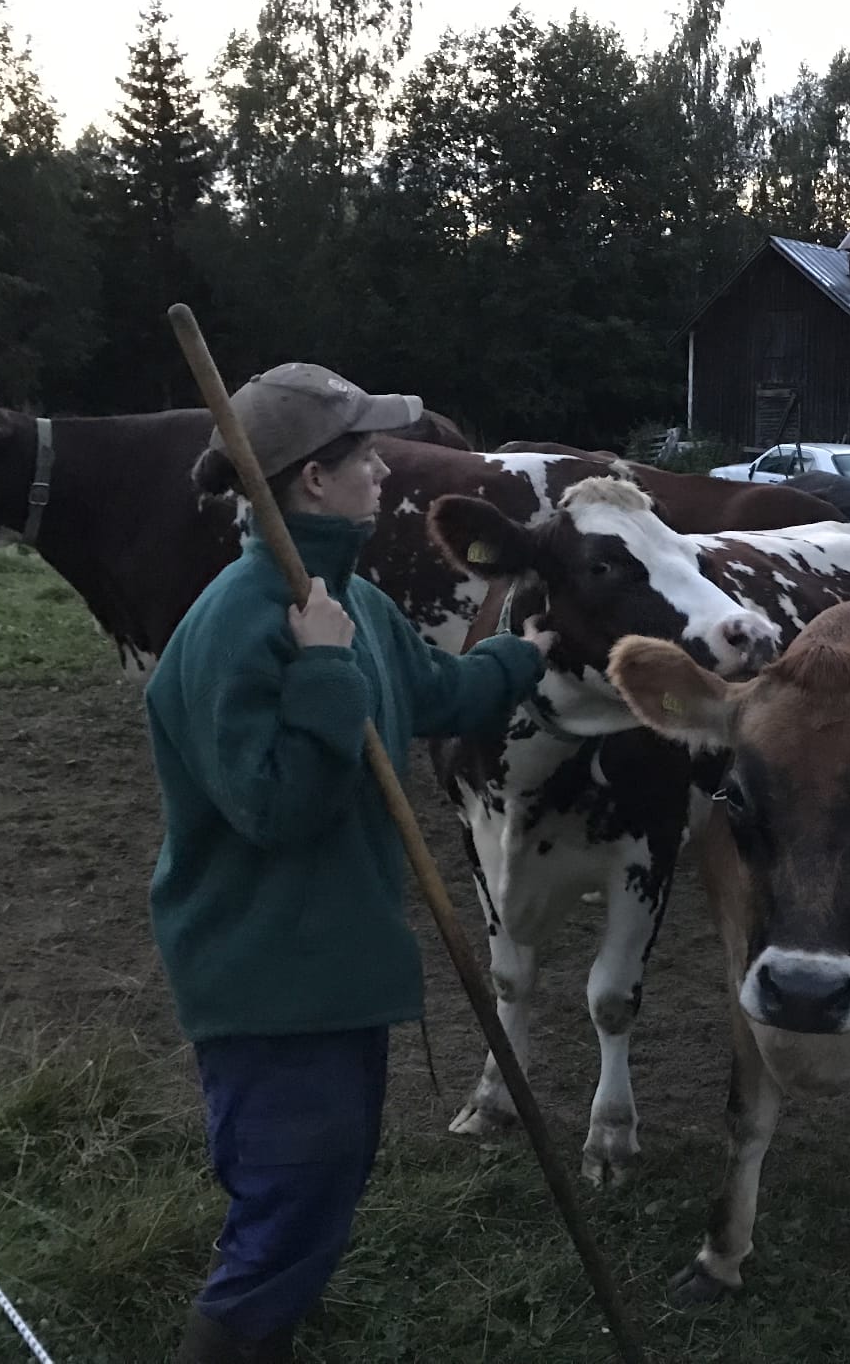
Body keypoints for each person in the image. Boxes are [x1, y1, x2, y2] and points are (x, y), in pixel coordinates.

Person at [144, 363, 547, 1363]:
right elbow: (276, 808)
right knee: (282, 1224)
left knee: (314, 1205)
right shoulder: (245, 622)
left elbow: (441, 695)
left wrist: (537, 645)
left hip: (338, 966)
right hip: (272, 979)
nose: (382, 468)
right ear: (311, 482)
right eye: (361, 453)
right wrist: (320, 670)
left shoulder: (348, 599)